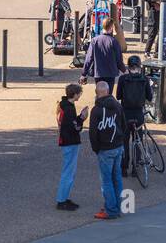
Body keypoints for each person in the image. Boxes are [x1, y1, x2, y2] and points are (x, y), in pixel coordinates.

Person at [89, 81, 126, 220]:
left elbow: (93, 132)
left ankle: (111, 210)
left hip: (105, 148)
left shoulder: (96, 110)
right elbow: (123, 124)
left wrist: (96, 148)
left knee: (106, 181)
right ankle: (116, 206)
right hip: (118, 145)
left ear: (97, 93)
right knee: (117, 178)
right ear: (108, 91)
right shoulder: (117, 105)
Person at [116, 56, 153, 174]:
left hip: (125, 113)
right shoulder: (145, 79)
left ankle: (124, 166)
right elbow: (150, 97)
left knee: (124, 140)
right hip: (138, 113)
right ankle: (135, 166)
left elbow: (118, 96)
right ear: (139, 66)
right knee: (138, 139)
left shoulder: (123, 79)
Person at [55, 83, 88, 211]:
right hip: (70, 142)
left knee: (68, 171)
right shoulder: (69, 109)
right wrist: (82, 117)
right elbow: (75, 127)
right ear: (74, 94)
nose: (80, 95)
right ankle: (62, 200)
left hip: (66, 141)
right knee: (68, 172)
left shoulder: (65, 105)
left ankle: (64, 197)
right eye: (79, 93)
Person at [82, 15, 126, 93]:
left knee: (100, 93)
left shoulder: (94, 41)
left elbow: (89, 59)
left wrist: (84, 74)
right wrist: (125, 71)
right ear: (111, 27)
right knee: (108, 94)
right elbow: (119, 60)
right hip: (111, 73)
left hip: (98, 73)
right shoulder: (114, 42)